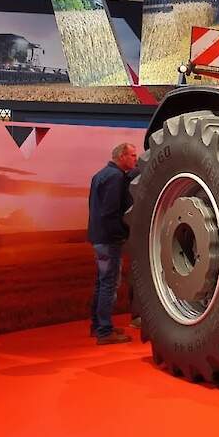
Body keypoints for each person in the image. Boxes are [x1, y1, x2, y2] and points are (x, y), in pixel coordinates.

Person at [87, 142, 138, 345]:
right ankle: (105, 331)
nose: (136, 159)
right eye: (133, 155)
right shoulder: (116, 177)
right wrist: (121, 235)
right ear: (122, 156)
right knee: (109, 284)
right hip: (109, 239)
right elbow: (110, 212)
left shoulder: (100, 175)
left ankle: (97, 325)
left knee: (102, 282)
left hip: (99, 237)